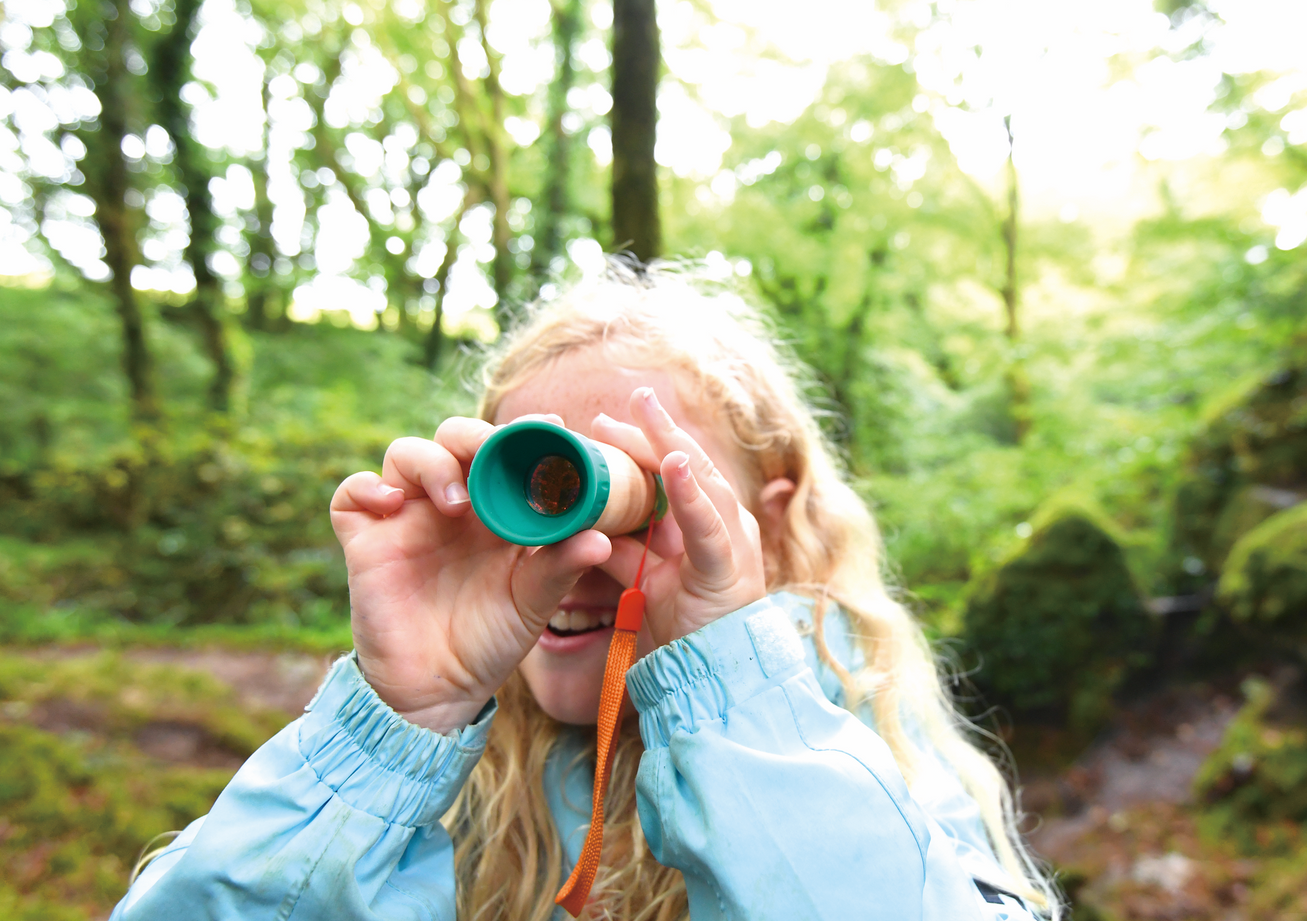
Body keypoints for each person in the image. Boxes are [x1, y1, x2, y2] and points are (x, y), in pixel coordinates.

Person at [110, 262, 1058, 921]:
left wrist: (734, 693)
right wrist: (397, 721)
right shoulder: (449, 764)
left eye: (640, 499)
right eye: (539, 494)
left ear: (766, 524)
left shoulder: (854, 724)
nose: (580, 551)